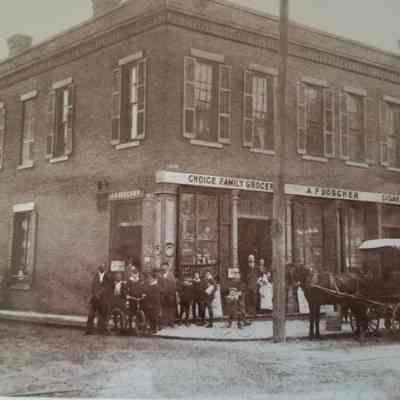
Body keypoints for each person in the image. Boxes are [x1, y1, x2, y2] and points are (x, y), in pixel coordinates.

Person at [85, 263, 113, 335]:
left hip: (104, 299)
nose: (102, 268)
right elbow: (93, 286)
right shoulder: (96, 276)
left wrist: (100, 293)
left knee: (102, 316)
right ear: (99, 268)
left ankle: (101, 330)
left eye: (103, 267)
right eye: (100, 267)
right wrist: (96, 294)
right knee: (91, 315)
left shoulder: (108, 276)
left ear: (105, 268)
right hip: (95, 299)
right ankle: (89, 330)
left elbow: (108, 287)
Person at [160, 262, 177, 327]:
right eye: (163, 267)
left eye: (165, 267)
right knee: (164, 309)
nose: (164, 269)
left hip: (170, 295)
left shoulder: (171, 275)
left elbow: (174, 285)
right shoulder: (160, 275)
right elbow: (159, 285)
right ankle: (165, 323)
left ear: (168, 267)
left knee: (171, 309)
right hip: (163, 295)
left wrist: (172, 293)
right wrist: (162, 291)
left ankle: (171, 322)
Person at [246, 254, 258, 318]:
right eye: (249, 258)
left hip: (254, 286)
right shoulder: (247, 268)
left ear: (254, 259)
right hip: (248, 286)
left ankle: (254, 312)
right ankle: (249, 312)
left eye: (251, 258)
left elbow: (258, 276)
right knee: (249, 300)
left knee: (254, 300)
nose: (250, 259)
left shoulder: (256, 268)